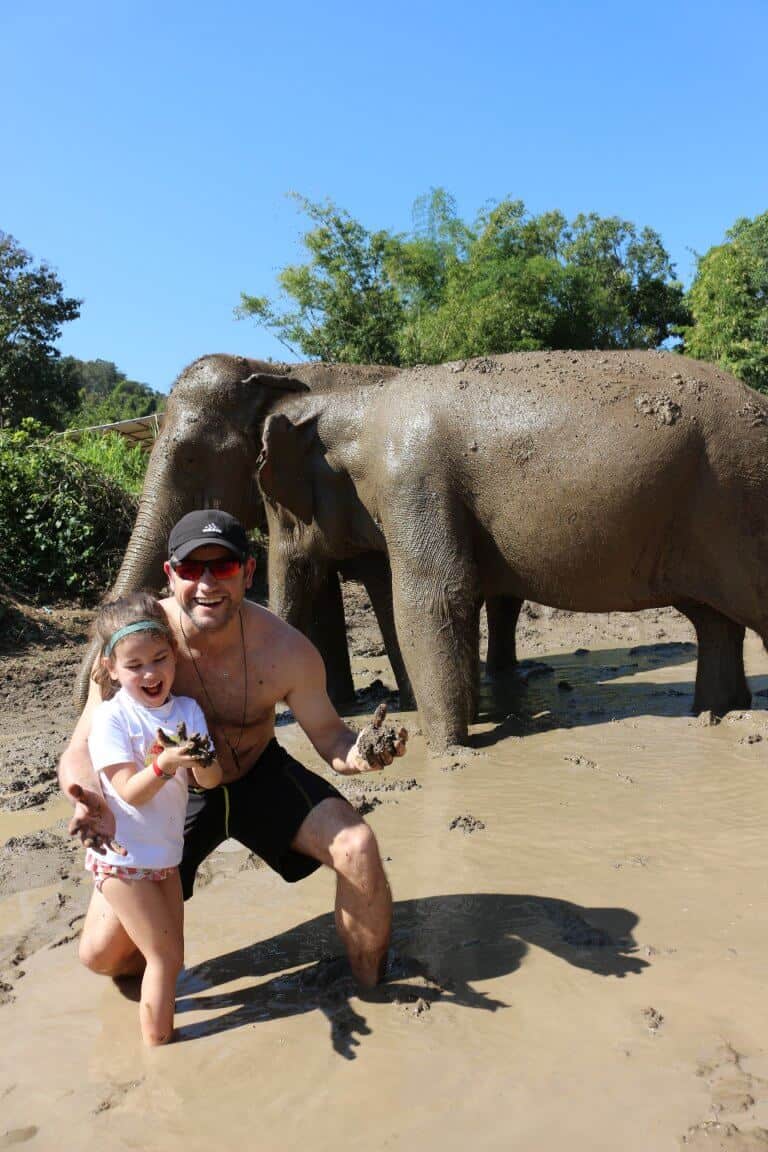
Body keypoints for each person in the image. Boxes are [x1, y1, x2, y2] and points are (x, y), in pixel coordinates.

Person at [59, 509, 407, 990]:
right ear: (170, 574)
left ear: (247, 571)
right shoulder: (137, 642)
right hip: (171, 792)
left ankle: (374, 989)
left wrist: (363, 752)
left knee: (358, 846)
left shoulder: (286, 650)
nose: (206, 584)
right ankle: (154, 945)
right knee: (103, 957)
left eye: (222, 567)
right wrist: (87, 795)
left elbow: (331, 738)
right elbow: (80, 747)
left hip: (257, 773)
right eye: (191, 569)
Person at [84, 592, 222, 1045]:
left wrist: (197, 758)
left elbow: (213, 778)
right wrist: (165, 763)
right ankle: (159, 1053)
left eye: (160, 659)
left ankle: (150, 1018)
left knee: (169, 957)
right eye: (135, 664)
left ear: (174, 656)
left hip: (165, 857)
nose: (150, 673)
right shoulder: (112, 719)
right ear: (111, 668)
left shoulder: (186, 712)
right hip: (123, 860)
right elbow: (128, 791)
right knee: (164, 959)